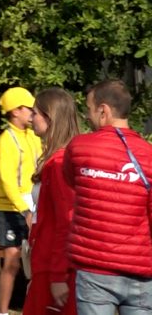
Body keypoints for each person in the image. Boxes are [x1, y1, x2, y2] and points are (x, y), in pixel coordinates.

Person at [63, 79, 152, 314]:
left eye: (89, 109)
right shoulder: (149, 155)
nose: (87, 116)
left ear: (103, 110)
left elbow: (72, 181)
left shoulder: (79, 147)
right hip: (140, 270)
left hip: (95, 269)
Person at [22, 88, 80, 315]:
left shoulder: (59, 164)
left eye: (35, 112)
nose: (30, 118)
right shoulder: (56, 159)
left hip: (53, 264)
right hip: (46, 261)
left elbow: (67, 220)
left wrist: (58, 274)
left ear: (50, 116)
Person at [0, 86, 42, 315]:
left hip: (32, 205)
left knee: (35, 262)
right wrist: (25, 210)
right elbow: (8, 180)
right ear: (15, 111)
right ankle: (3, 312)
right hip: (11, 208)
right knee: (12, 261)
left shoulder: (34, 136)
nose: (33, 113)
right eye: (29, 109)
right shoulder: (5, 141)